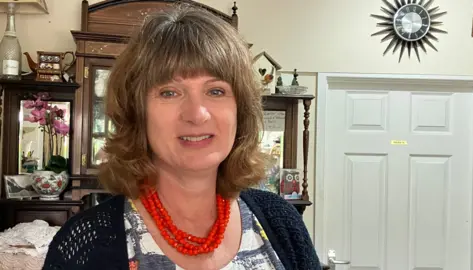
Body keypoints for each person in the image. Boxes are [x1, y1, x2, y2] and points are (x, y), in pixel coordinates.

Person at [42, 4, 322, 270]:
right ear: (137, 113)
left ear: (241, 110)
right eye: (169, 92)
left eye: (215, 91)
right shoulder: (83, 245)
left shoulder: (282, 222)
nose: (197, 114)